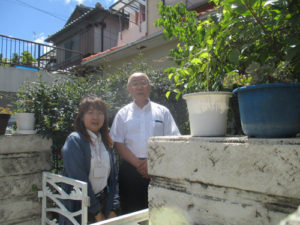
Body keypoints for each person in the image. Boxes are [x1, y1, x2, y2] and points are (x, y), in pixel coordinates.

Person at [110, 72, 180, 214]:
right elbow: (118, 143)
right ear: (129, 89)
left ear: (150, 87)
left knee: (160, 212)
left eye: (143, 83)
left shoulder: (163, 112)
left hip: (159, 169)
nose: (139, 87)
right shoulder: (122, 114)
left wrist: (152, 163)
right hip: (130, 170)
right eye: (135, 84)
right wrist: (139, 164)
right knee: (131, 212)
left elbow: (172, 140)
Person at [60, 96, 120, 224]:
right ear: (82, 117)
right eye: (90, 112)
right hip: (78, 206)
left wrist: (113, 207)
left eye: (100, 113)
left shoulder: (106, 142)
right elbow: (79, 179)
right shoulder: (75, 140)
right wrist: (96, 211)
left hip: (103, 203)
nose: (95, 117)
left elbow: (113, 179)